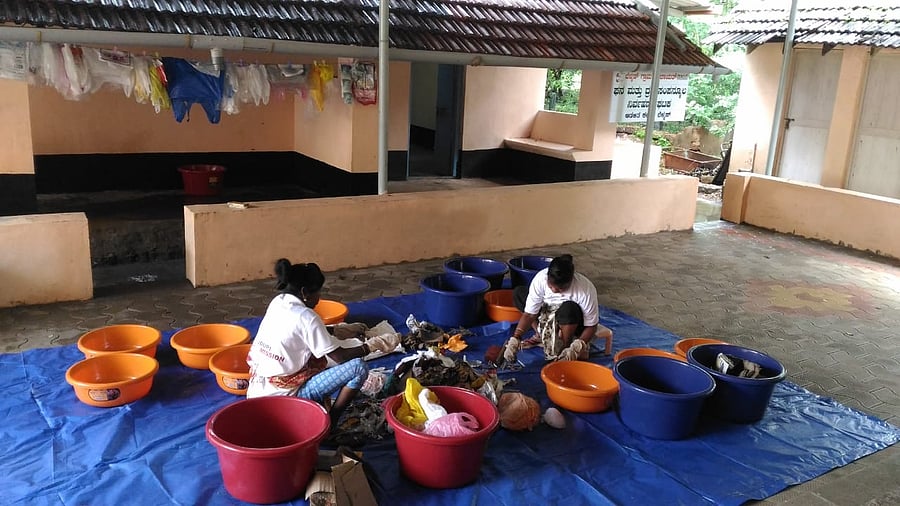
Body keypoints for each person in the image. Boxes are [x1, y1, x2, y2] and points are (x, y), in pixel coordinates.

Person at [246, 258, 400, 426]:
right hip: (284, 400)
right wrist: (373, 345)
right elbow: (340, 357)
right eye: (318, 292)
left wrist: (337, 330)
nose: (318, 298)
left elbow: (298, 332)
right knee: (358, 368)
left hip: (256, 392)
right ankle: (330, 423)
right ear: (305, 292)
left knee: (319, 358)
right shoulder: (307, 317)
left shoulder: (279, 302)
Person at [503, 254, 599, 363]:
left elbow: (591, 326)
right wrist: (516, 338)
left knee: (568, 308)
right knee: (519, 293)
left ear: (571, 280)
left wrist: (576, 347)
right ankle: (541, 334)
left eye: (560, 289)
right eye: (550, 285)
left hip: (571, 321)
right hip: (545, 317)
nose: (553, 290)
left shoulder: (585, 289)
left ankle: (565, 348)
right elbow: (529, 314)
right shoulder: (540, 279)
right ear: (547, 276)